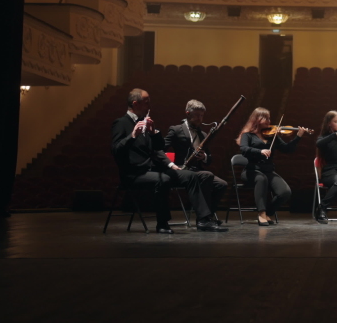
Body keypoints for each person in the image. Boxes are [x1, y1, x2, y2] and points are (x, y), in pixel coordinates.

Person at [110, 89, 226, 233]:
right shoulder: (121, 123)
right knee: (163, 179)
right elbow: (116, 150)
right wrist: (132, 136)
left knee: (191, 176)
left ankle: (203, 220)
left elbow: (158, 148)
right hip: (134, 173)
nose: (149, 105)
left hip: (153, 170)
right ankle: (162, 223)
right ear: (135, 104)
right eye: (146, 102)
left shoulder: (144, 122)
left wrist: (154, 134)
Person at [236, 107, 308, 226]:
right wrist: (259, 151)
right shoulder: (247, 135)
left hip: (268, 170)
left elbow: (287, 149)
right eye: (265, 118)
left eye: (269, 118)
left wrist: (298, 137)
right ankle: (261, 213)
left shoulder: (272, 135)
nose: (269, 121)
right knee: (261, 179)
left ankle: (268, 212)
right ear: (257, 119)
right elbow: (243, 149)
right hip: (252, 170)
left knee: (285, 192)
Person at [164, 99, 228, 224]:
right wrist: (171, 165)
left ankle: (207, 215)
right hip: (182, 170)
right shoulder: (176, 130)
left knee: (222, 185)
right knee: (206, 175)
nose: (200, 119)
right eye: (197, 115)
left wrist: (204, 157)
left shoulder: (203, 134)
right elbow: (161, 150)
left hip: (198, 170)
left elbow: (209, 159)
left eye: (202, 116)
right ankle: (202, 220)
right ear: (188, 113)